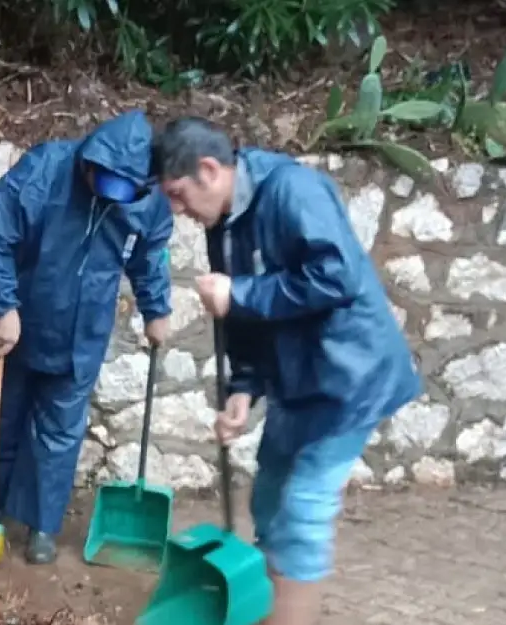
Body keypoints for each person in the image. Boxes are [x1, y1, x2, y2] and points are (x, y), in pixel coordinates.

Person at [150, 116, 420, 625]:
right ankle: (266, 603)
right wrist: (243, 388)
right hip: (295, 381)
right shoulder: (223, 226)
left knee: (302, 511)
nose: (176, 210)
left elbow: (335, 275)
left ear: (208, 170)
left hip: (348, 377)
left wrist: (241, 293)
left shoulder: (293, 190)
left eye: (177, 194)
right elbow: (245, 318)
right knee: (269, 497)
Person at [0, 110, 174, 565]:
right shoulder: (45, 169)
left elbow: (150, 252)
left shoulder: (146, 195)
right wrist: (1, 306)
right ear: (89, 163)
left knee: (59, 432)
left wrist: (156, 308)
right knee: (0, 421)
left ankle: (41, 525)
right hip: (20, 323)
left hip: (84, 332)